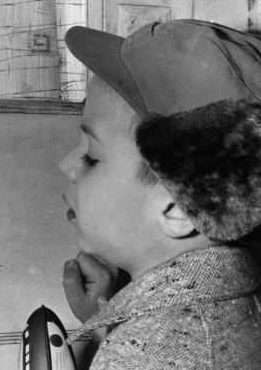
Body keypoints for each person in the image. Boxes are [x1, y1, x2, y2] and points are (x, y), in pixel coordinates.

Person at [58, 19, 261, 369]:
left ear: (179, 210)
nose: (65, 165)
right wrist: (105, 324)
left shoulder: (138, 358)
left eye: (91, 157)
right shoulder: (242, 298)